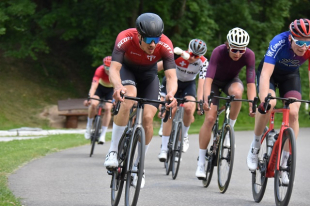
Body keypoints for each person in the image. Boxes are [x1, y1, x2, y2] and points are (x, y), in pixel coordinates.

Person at [103, 13, 178, 188]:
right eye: (149, 39)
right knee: (128, 100)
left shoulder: (165, 44)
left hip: (149, 76)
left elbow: (171, 76)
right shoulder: (125, 38)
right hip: (127, 72)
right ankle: (113, 151)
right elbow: (114, 69)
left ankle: (139, 166)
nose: (153, 44)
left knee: (147, 118)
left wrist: (171, 94)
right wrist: (117, 86)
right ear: (139, 35)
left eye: (157, 39)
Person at [247, 19, 310, 184]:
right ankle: (254, 148)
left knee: (294, 112)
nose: (304, 47)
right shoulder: (279, 42)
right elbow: (266, 74)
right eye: (300, 42)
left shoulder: (308, 47)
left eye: (307, 42)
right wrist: (263, 100)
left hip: (290, 77)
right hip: (270, 74)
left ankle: (283, 163)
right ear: (291, 38)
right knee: (270, 104)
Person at [196, 27, 256, 178]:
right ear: (228, 45)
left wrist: (251, 104)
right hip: (214, 82)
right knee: (210, 119)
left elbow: (250, 84)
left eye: (241, 50)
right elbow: (208, 79)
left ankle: (229, 131)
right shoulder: (219, 51)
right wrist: (206, 99)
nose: (237, 54)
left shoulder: (249, 55)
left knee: (237, 93)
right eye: (234, 49)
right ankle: (201, 163)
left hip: (231, 81)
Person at [157, 39, 208, 162]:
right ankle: (164, 148)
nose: (192, 58)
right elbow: (156, 68)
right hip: (172, 81)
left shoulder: (203, 63)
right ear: (187, 50)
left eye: (197, 56)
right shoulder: (178, 55)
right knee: (169, 110)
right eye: (191, 54)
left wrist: (200, 101)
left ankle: (184, 135)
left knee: (190, 107)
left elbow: (201, 85)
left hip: (188, 85)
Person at [84, 56, 113, 144]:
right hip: (100, 89)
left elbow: (118, 87)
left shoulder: (117, 71)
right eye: (106, 67)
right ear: (103, 66)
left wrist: (115, 100)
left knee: (108, 108)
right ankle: (89, 127)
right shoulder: (100, 70)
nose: (108, 70)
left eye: (110, 68)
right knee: (93, 104)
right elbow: (94, 85)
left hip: (111, 90)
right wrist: (90, 97)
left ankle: (103, 134)